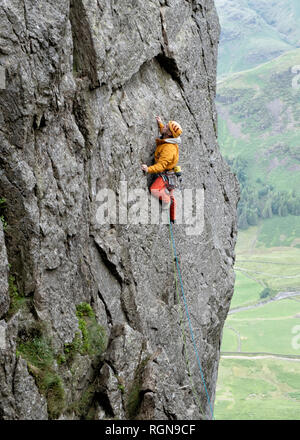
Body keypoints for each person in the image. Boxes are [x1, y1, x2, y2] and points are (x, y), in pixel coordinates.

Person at [141, 116, 182, 223]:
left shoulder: (169, 149)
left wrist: (148, 169)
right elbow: (164, 131)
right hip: (170, 174)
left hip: (166, 175)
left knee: (155, 190)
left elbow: (161, 166)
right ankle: (172, 218)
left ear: (169, 133)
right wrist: (160, 123)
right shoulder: (169, 138)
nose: (164, 126)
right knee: (171, 194)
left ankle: (167, 201)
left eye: (167, 127)